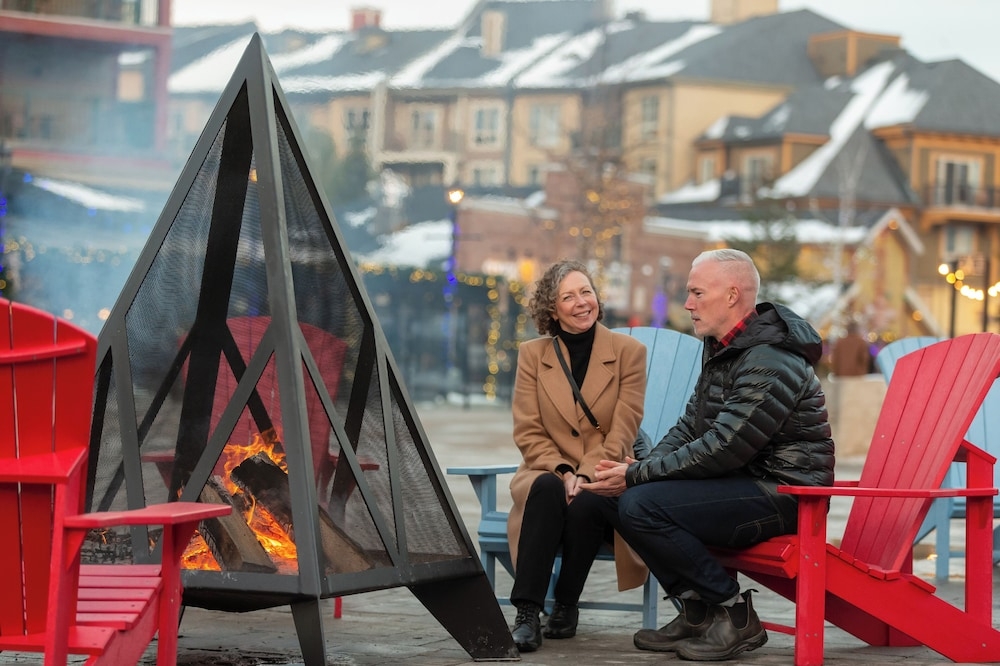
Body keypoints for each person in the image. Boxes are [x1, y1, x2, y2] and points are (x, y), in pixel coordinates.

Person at [581, 248, 835, 662]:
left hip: (785, 495)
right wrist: (637, 469)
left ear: (732, 295)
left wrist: (640, 477)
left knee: (642, 502)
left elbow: (725, 446)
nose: (687, 304)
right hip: (739, 484)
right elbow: (690, 426)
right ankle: (697, 611)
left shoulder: (770, 358)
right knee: (613, 497)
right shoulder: (725, 349)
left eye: (697, 293)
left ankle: (735, 614)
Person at [506, 259, 648, 653]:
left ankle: (566, 604)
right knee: (550, 489)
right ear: (552, 309)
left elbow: (625, 426)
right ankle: (528, 612)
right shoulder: (532, 355)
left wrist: (585, 475)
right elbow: (527, 429)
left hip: (604, 468)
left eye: (586, 291)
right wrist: (565, 470)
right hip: (543, 469)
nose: (581, 302)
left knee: (589, 502)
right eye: (568, 296)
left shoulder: (629, 353)